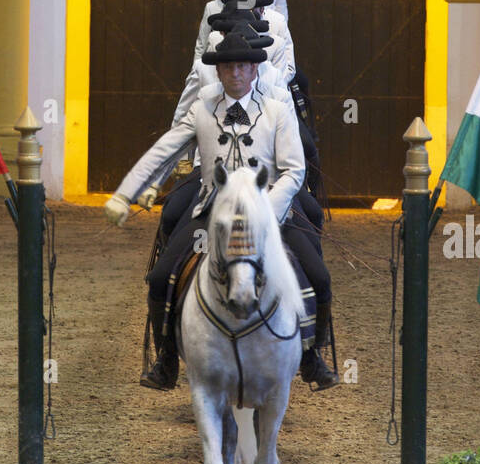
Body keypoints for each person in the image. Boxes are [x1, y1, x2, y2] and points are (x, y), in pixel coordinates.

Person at [104, 30, 338, 392]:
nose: (236, 74)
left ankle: (311, 356)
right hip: (212, 213)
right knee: (160, 276)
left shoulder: (277, 109)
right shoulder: (202, 108)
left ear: (254, 69)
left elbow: (294, 170)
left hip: (270, 213)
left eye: (242, 66)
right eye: (228, 67)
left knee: (318, 277)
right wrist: (125, 193)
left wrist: (268, 213)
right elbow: (163, 150)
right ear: (220, 70)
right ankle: (166, 360)